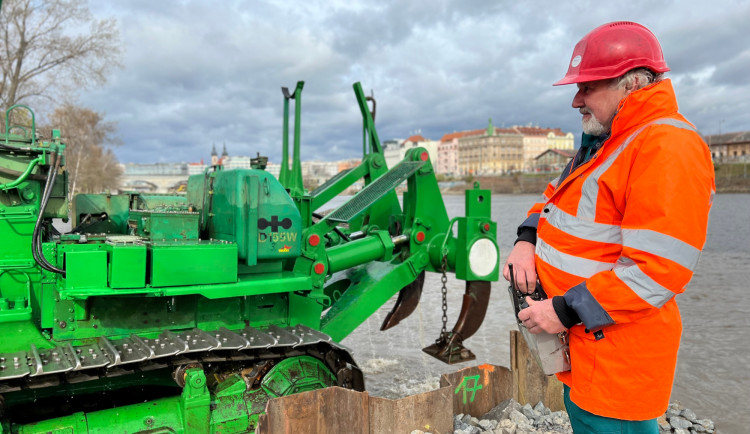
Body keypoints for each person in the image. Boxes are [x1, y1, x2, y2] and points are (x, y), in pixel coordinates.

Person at [503, 21, 715, 433]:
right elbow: (553, 198)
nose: (576, 101)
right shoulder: (607, 141)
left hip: (618, 359)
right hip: (584, 347)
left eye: (587, 87)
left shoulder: (666, 148)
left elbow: (656, 271)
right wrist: (525, 240)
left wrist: (563, 310)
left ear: (631, 84)